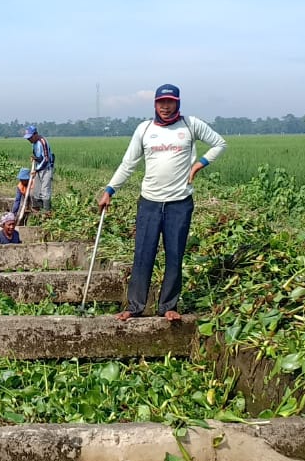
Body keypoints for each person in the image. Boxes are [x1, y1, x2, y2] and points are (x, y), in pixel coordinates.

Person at [97, 83, 226, 323]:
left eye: (170, 102)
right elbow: (128, 163)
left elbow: (220, 143)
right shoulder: (145, 129)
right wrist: (110, 190)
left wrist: (200, 164)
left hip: (179, 202)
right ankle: (135, 306)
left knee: (175, 254)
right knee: (143, 254)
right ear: (155, 104)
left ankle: (168, 305)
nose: (165, 107)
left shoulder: (190, 125)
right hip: (149, 202)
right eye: (161, 102)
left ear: (178, 103)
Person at [23, 126, 55, 212]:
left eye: (30, 137)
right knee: (35, 191)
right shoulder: (34, 143)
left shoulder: (42, 142)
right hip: (38, 168)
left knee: (45, 191)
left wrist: (36, 170)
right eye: (28, 138)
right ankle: (37, 212)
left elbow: (46, 159)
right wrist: (35, 158)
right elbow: (39, 157)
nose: (29, 140)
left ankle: (46, 213)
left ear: (35, 134)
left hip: (46, 169)